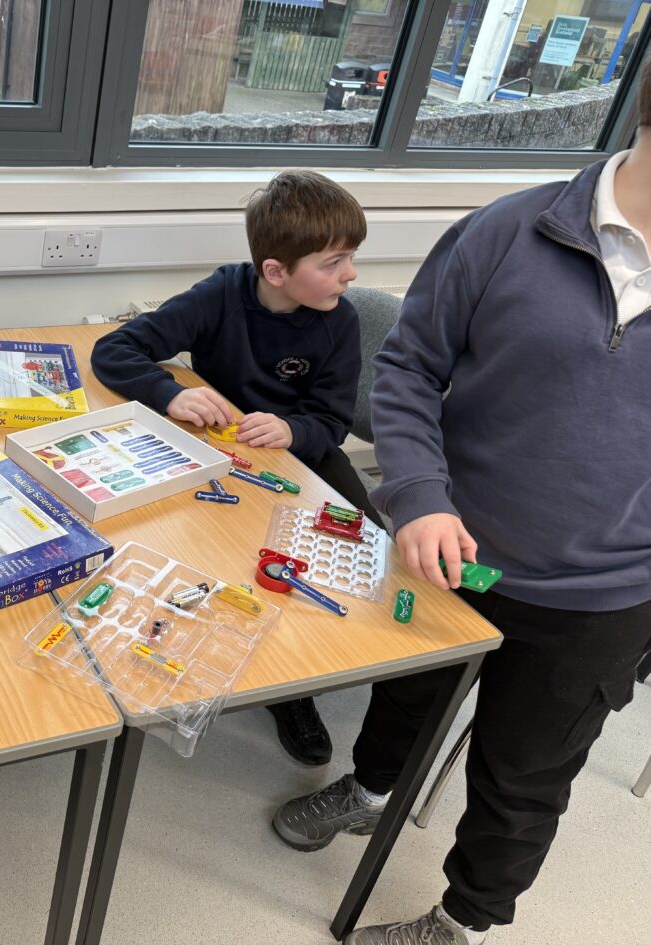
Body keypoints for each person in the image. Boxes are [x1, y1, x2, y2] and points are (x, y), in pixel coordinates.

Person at [271, 58, 651, 945]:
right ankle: (371, 791)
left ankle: (462, 919)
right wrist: (418, 494)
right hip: (450, 548)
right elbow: (408, 366)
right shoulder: (510, 230)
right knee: (405, 697)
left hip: (602, 593)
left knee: (525, 775)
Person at [90, 169, 375, 767]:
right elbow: (114, 350)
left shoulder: (338, 319)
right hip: (222, 455)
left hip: (304, 457)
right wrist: (170, 394)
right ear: (276, 271)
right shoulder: (222, 293)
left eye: (350, 258)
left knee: (360, 552)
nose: (350, 274)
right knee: (226, 558)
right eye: (334, 262)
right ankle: (251, 663)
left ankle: (297, 686)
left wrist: (294, 429)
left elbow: (331, 420)